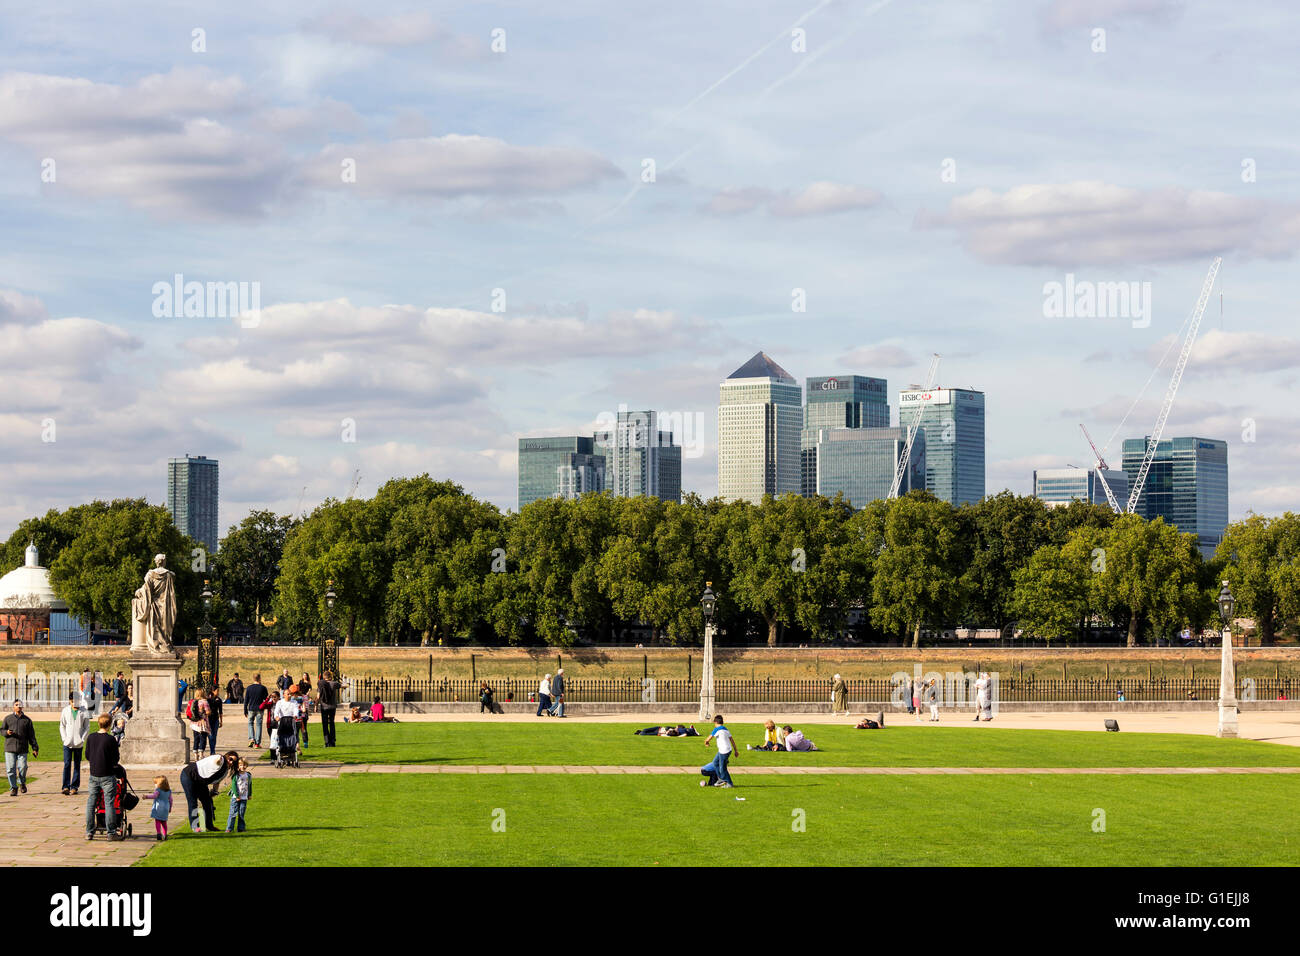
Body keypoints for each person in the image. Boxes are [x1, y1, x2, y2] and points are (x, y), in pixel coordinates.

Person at [179, 750, 237, 833]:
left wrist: (214, 791)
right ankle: (195, 827)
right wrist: (220, 759)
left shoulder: (225, 771)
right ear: (227, 756)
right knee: (192, 802)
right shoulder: (220, 759)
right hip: (188, 776)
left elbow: (217, 781)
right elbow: (216, 761)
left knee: (207, 801)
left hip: (201, 781)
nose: (231, 762)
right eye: (230, 759)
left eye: (233, 761)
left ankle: (209, 826)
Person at [84, 713, 120, 839]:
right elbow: (116, 758)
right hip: (107, 775)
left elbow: (87, 755)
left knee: (91, 803)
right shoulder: (111, 740)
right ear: (109, 725)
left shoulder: (91, 737)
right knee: (109, 803)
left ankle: (89, 831)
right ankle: (111, 832)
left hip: (94, 774)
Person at [4, 700, 39, 797]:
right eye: (16, 705)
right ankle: (13, 788)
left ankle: (22, 783)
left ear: (22, 707)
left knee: (23, 767)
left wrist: (35, 748)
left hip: (22, 748)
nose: (18, 706)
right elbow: (2, 730)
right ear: (13, 707)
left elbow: (31, 736)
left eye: (20, 705)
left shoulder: (27, 720)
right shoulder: (8, 718)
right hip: (10, 748)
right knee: (10, 769)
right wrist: (6, 732)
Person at [60, 691, 90, 796]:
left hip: (78, 743)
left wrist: (82, 739)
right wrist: (64, 738)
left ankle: (74, 786)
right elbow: (62, 725)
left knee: (77, 765)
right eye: (72, 702)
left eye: (76, 701)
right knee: (67, 764)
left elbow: (87, 727)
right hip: (67, 743)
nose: (74, 704)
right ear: (70, 701)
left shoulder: (84, 711)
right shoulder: (65, 711)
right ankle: (65, 786)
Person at [699, 714, 736, 788]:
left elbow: (707, 739)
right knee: (715, 763)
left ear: (715, 722)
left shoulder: (717, 729)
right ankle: (721, 779)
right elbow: (732, 740)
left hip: (724, 751)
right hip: (727, 750)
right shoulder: (725, 729)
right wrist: (736, 750)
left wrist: (706, 743)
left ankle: (727, 782)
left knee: (722, 768)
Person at [225, 758, 253, 833]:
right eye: (240, 765)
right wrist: (237, 796)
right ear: (238, 766)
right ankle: (229, 828)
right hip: (235, 797)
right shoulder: (236, 775)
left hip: (244, 797)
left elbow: (249, 785)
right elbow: (233, 786)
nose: (242, 767)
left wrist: (249, 794)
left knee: (241, 813)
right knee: (233, 813)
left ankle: (241, 828)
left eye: (244, 765)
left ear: (246, 766)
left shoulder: (248, 775)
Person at [244, 674, 268, 748]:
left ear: (253, 678)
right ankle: (257, 743)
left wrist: (245, 710)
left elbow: (246, 700)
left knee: (250, 724)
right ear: (259, 678)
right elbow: (265, 698)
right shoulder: (263, 688)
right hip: (259, 709)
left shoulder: (249, 688)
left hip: (251, 708)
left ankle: (251, 738)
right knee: (259, 725)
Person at [317, 671, 341, 746]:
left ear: (324, 677)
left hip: (324, 706)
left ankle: (327, 741)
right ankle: (333, 741)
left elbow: (318, 696)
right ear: (330, 677)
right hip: (332, 706)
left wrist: (315, 704)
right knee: (331, 723)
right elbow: (340, 685)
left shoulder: (321, 684)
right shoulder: (333, 684)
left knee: (324, 724)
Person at [148, 775, 172, 841]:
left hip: (158, 808)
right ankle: (165, 834)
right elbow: (171, 800)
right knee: (164, 822)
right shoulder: (169, 791)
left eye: (155, 783)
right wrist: (170, 808)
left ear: (159, 784)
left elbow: (154, 796)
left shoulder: (158, 790)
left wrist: (146, 796)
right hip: (166, 808)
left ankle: (159, 833)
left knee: (157, 821)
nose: (155, 785)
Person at [206, 687, 223, 752]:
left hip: (216, 719)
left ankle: (213, 750)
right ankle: (212, 750)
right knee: (210, 735)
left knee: (214, 735)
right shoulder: (208, 699)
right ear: (213, 691)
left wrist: (221, 721)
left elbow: (220, 712)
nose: (218, 692)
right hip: (208, 719)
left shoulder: (219, 700)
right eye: (217, 691)